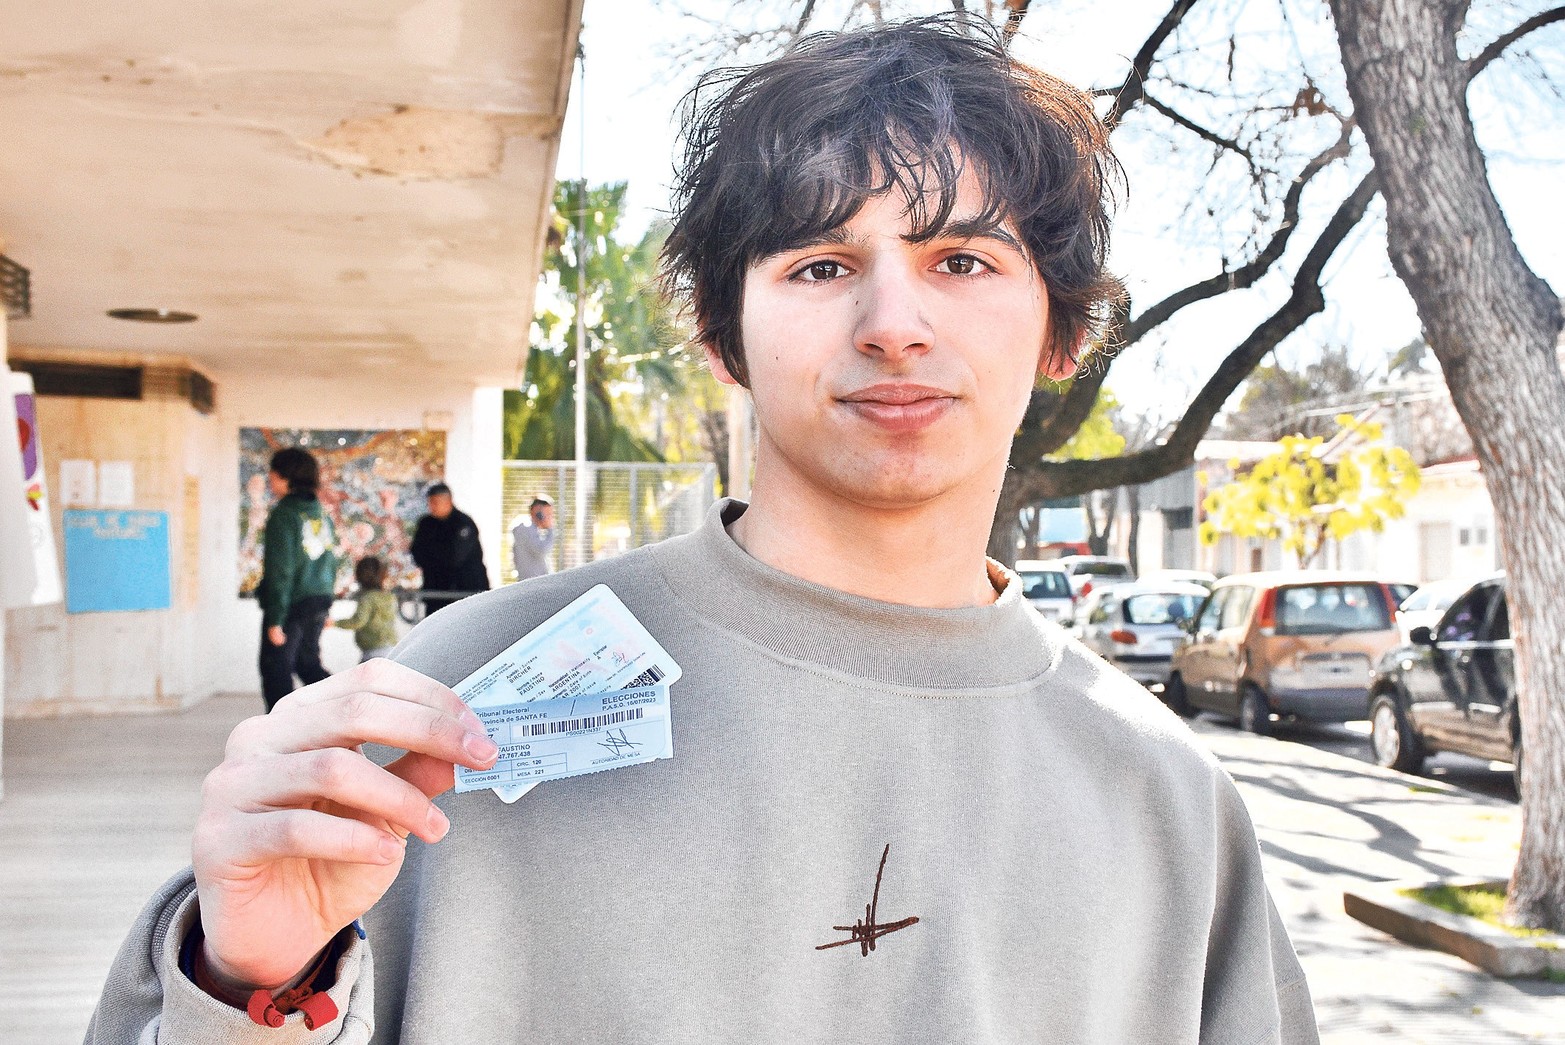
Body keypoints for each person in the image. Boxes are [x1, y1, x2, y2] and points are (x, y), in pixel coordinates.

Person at [89, 18, 1317, 1043]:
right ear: (723, 334)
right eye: (821, 266)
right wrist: (245, 983)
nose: (892, 322)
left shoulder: (1167, 802)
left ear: (1060, 330)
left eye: (962, 260)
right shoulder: (449, 711)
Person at [255, 447, 337, 712]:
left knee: (275, 668)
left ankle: (280, 733)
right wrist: (326, 607)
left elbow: (281, 570)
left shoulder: (284, 515)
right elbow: (330, 562)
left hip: (291, 603)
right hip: (317, 600)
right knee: (307, 663)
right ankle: (344, 709)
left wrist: (276, 619)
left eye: (274, 473)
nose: (269, 478)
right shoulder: (321, 513)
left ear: (286, 477)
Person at [408, 481, 489, 615]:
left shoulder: (463, 523)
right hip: (436, 591)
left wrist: (432, 553)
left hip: (464, 592)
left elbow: (454, 558)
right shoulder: (426, 524)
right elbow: (417, 553)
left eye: (435, 503)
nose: (431, 507)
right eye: (430, 502)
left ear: (448, 501)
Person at [328, 556, 400, 662]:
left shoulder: (367, 598)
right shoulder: (389, 597)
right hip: (391, 647)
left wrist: (334, 623)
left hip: (373, 650)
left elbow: (358, 621)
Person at [509, 495, 556, 580]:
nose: (550, 519)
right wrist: (550, 529)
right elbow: (542, 550)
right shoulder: (526, 527)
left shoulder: (531, 528)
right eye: (548, 514)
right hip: (533, 582)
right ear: (537, 511)